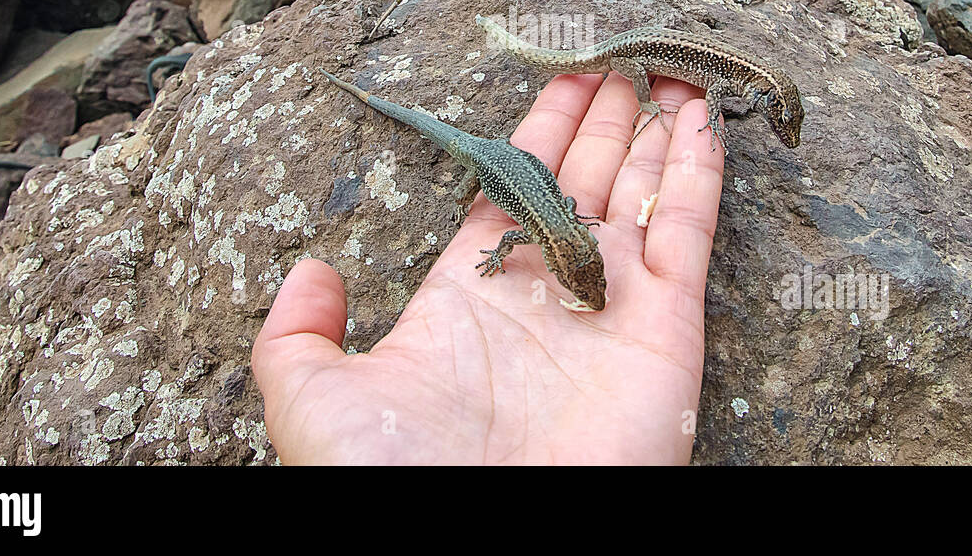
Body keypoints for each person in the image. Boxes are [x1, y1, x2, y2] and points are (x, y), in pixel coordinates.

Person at [252, 72, 725, 464]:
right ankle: (365, 96)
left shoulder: (550, 227)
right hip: (485, 162)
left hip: (510, 158)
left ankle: (366, 94)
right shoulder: (539, 232)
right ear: (564, 260)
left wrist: (523, 246)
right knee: (463, 190)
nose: (591, 285)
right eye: (587, 277)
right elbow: (525, 225)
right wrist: (496, 251)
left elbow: (557, 209)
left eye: (591, 278)